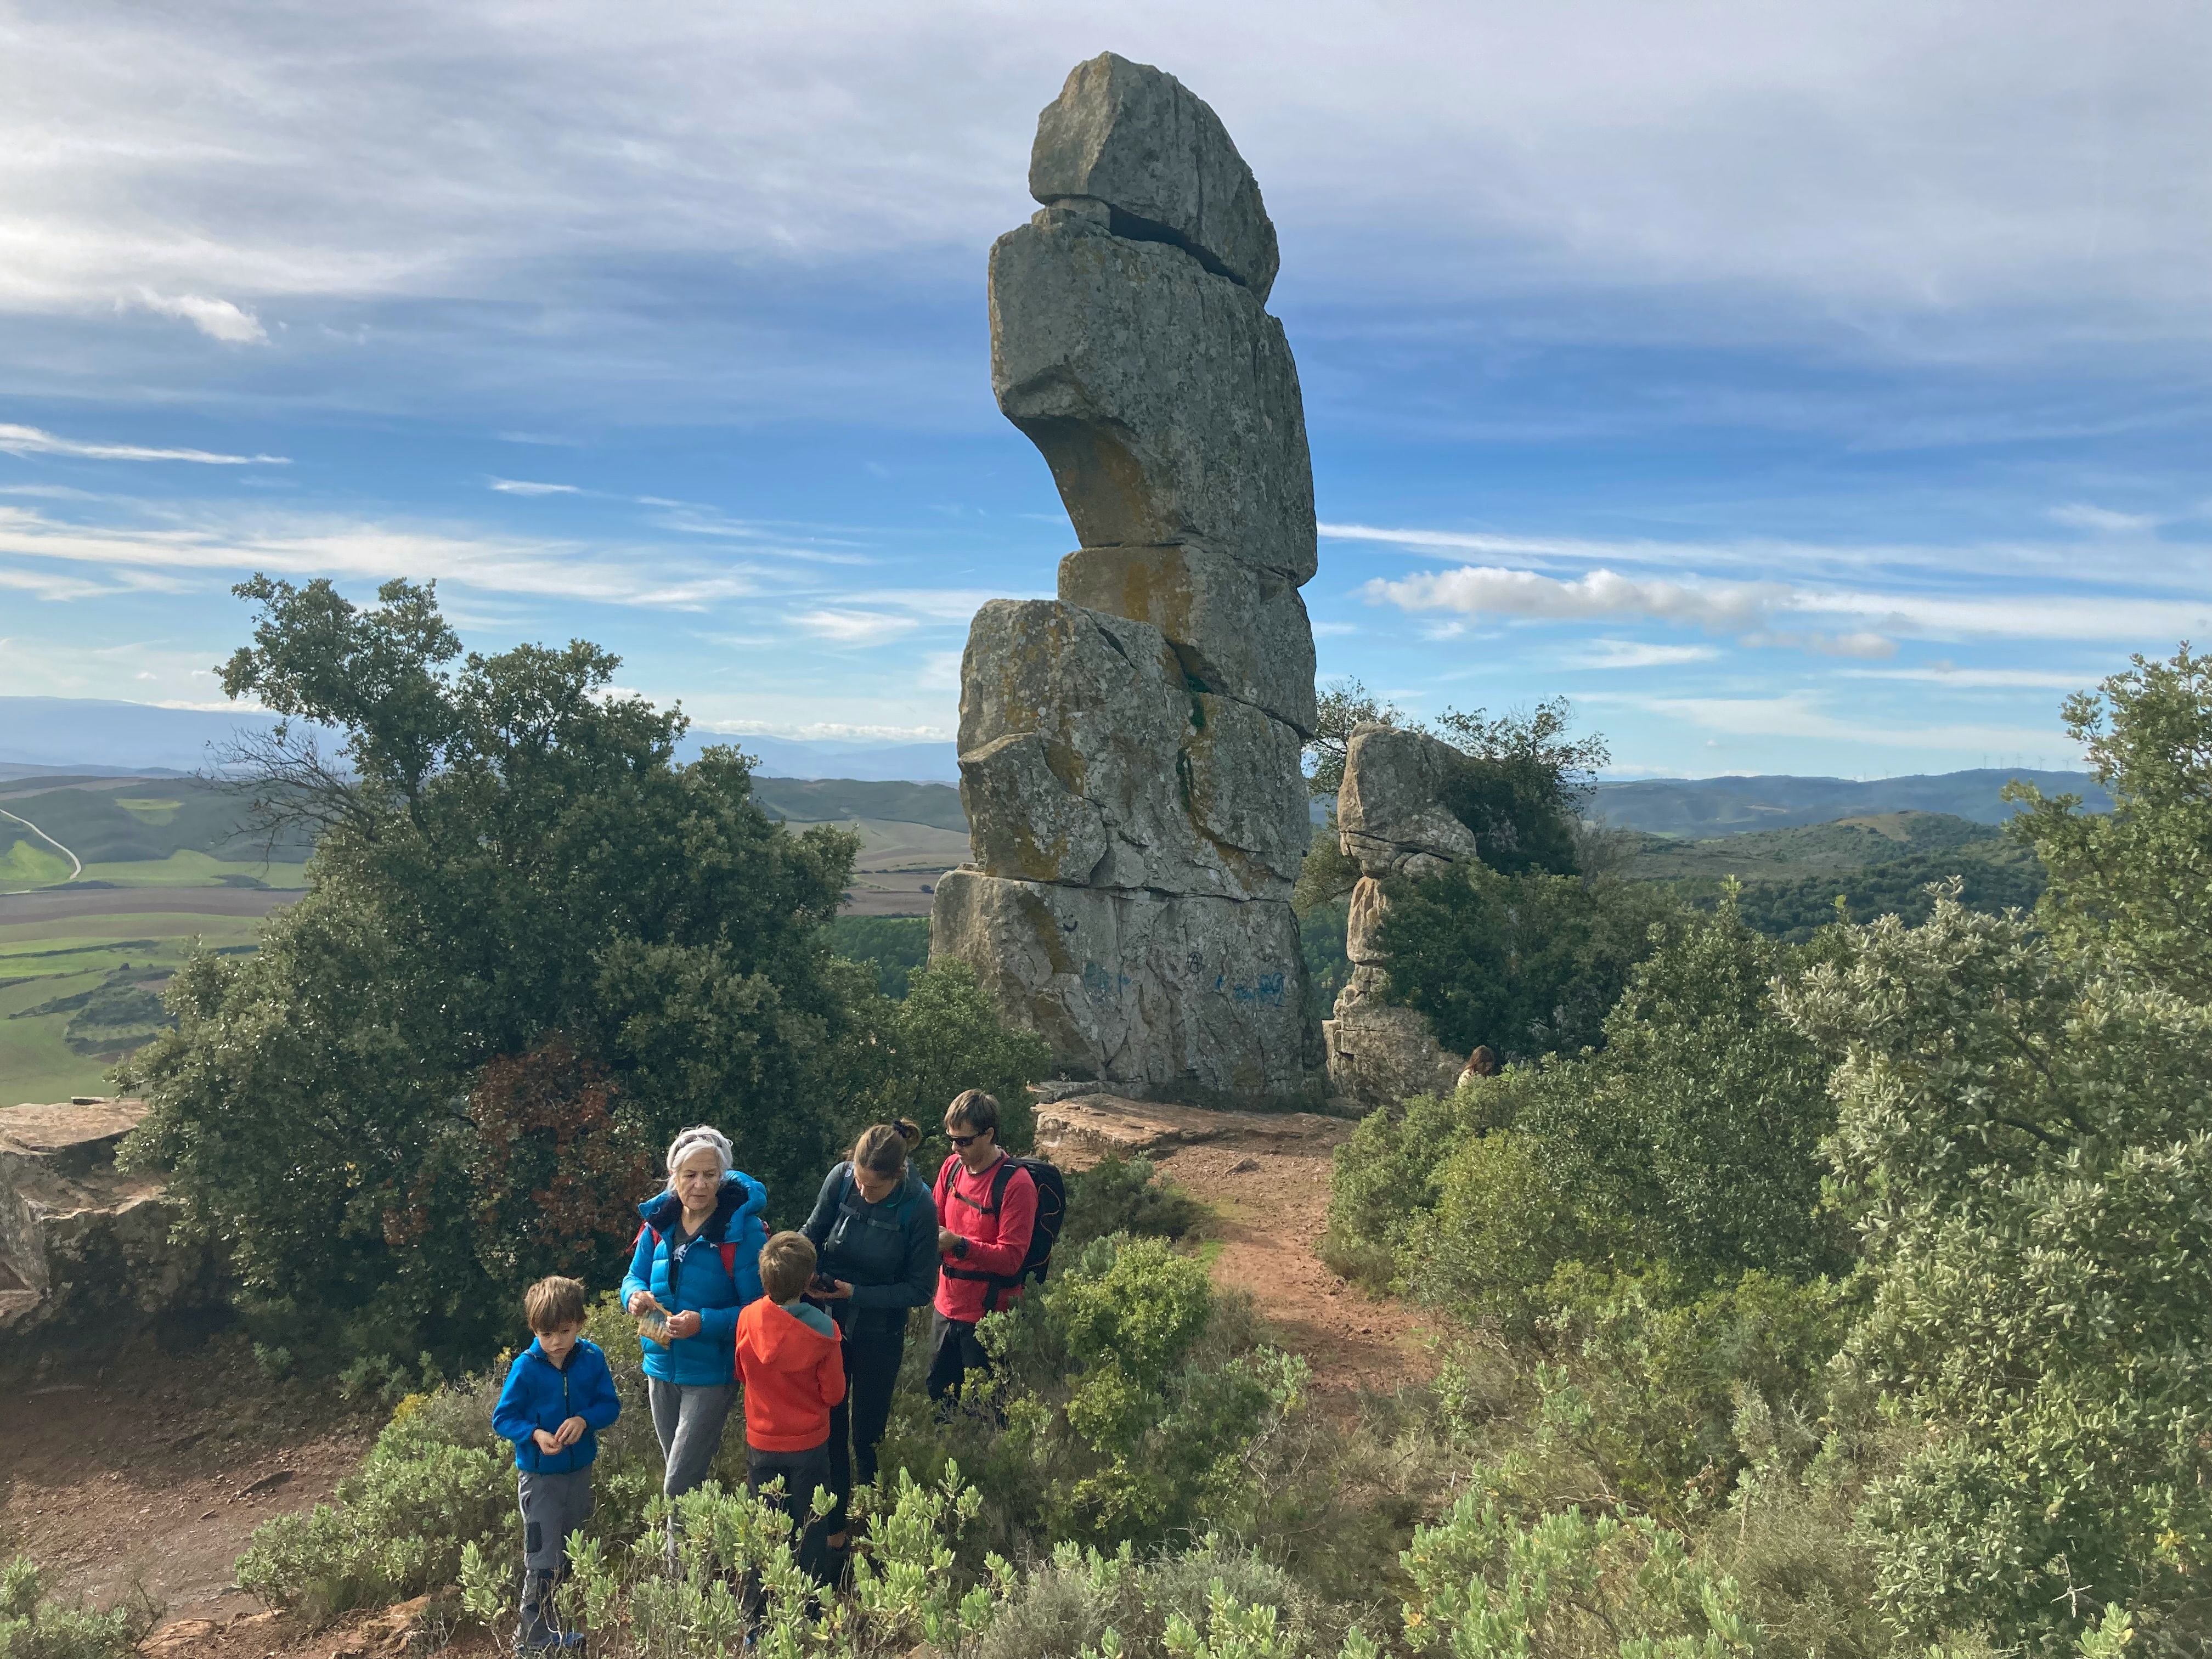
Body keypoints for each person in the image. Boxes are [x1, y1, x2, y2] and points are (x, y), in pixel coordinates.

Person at [800, 1119, 936, 1553]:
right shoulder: (841, 1181)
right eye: (858, 1181)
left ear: (897, 1176)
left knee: (868, 1434)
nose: (862, 1192)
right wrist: (803, 1275)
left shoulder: (918, 1207)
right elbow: (812, 1233)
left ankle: (874, 1522)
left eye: (872, 1188)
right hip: (831, 1327)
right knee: (832, 1426)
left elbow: (920, 1289)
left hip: (880, 1331)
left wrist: (857, 1293)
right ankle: (837, 1528)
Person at [620, 1125, 768, 1507]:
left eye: (710, 1175)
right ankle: (703, 1554)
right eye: (690, 1175)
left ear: (723, 1177)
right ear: (674, 1177)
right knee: (682, 1477)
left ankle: (679, 1569)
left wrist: (703, 1322)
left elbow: (760, 1311)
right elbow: (633, 1276)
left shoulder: (744, 1231)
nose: (700, 1185)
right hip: (660, 1365)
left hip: (710, 1374)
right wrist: (634, 1297)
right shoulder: (660, 1223)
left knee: (678, 1485)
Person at [490, 1275, 621, 1654]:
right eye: (547, 1334)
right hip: (539, 1479)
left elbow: (609, 1405)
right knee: (542, 1558)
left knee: (569, 1553)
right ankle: (530, 1644)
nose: (557, 1342)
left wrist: (584, 1420)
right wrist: (534, 1434)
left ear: (580, 1323)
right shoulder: (526, 1367)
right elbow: (503, 1417)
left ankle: (558, 1633)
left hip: (578, 1473)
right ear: (534, 1329)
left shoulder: (592, 1358)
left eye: (565, 1331)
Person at [735, 1231, 847, 1585]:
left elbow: (741, 1373)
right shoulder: (826, 1331)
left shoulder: (748, 1319)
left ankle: (758, 1615)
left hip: (762, 1442)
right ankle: (810, 1608)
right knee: (811, 1528)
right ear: (809, 1280)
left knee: (766, 1527)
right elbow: (834, 1394)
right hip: (809, 1446)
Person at [928, 1089, 1036, 1410]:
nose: (955, 1148)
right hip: (945, 1308)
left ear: (989, 1135)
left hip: (989, 1318)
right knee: (939, 1406)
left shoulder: (1017, 1185)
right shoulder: (951, 1169)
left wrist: (959, 1244)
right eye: (952, 1139)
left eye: (964, 1141)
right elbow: (933, 1221)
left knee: (985, 1414)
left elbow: (1011, 1260)